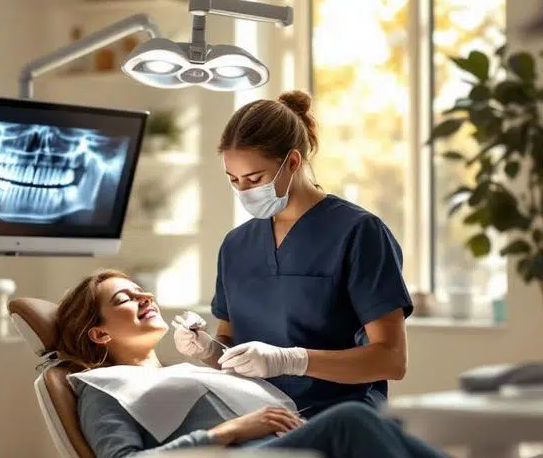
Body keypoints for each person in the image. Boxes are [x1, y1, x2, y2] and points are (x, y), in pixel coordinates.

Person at [53, 269, 457, 458]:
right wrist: (228, 431)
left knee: (381, 451)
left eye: (141, 290)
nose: (145, 297)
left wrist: (213, 354)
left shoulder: (180, 372)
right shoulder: (102, 389)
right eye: (125, 298)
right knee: (351, 421)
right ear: (100, 333)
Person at [172, 89, 412, 416]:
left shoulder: (358, 233)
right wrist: (208, 349)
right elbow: (231, 346)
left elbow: (391, 360)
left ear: (293, 161)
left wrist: (292, 360)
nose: (244, 191)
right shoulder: (235, 246)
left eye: (255, 178)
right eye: (234, 180)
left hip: (338, 419)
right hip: (256, 418)